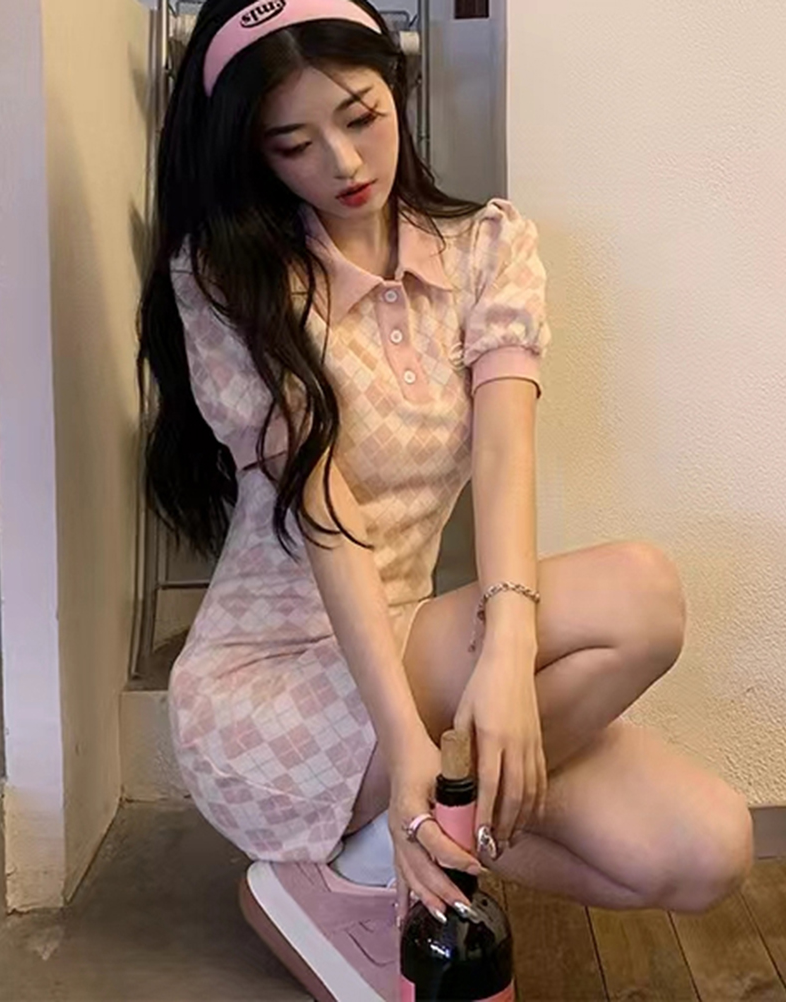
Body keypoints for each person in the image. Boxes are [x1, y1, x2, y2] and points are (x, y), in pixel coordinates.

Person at [138, 1, 754, 997]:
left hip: (417, 640)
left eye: (360, 115)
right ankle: (380, 851)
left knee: (709, 847)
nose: (343, 162)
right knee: (638, 594)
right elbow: (329, 517)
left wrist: (509, 656)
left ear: (398, 85)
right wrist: (406, 736)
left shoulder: (487, 248)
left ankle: (371, 860)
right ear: (253, 153)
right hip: (275, 689)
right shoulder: (230, 275)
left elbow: (507, 453)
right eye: (293, 144)